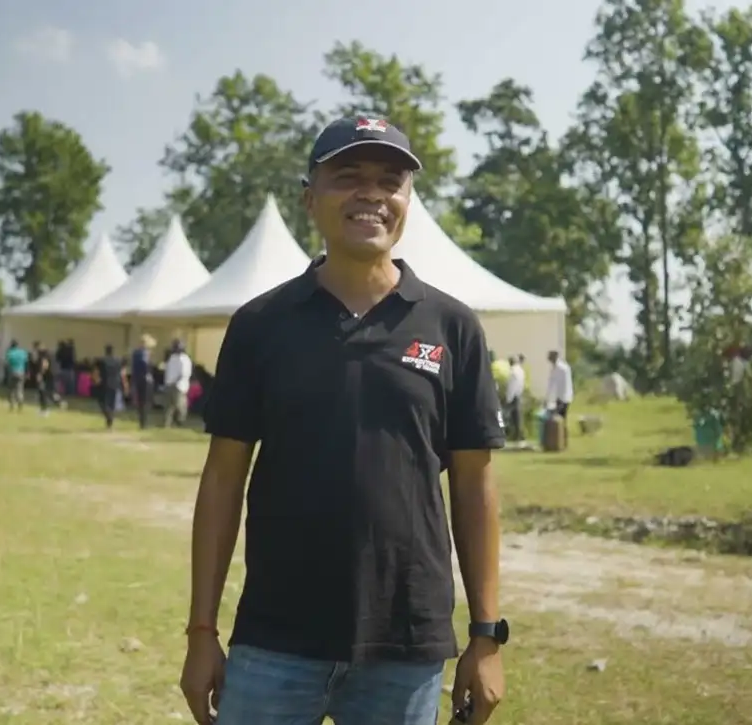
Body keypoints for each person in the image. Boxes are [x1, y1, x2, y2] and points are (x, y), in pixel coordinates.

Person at [180, 116, 508, 725]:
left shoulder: (452, 327)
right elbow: (223, 478)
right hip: (274, 640)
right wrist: (202, 631)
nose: (371, 194)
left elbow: (474, 485)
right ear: (310, 198)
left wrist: (486, 636)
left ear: (408, 200)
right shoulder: (260, 325)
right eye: (348, 176)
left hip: (406, 646)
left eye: (390, 181)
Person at [545, 350, 574, 446]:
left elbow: (566, 385)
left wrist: (563, 399)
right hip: (559, 397)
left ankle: (563, 441)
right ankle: (560, 441)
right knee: (559, 419)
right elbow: (551, 385)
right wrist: (549, 399)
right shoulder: (555, 368)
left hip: (564, 397)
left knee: (561, 419)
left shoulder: (563, 368)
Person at [163, 340, 192, 428]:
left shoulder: (185, 359)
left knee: (179, 405)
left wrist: (176, 382)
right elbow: (168, 370)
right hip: (169, 384)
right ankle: (167, 423)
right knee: (168, 405)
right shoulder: (172, 357)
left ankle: (180, 421)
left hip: (179, 385)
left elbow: (185, 373)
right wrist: (167, 381)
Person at [131, 334, 156, 429]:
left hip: (138, 378)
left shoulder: (135, 352)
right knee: (146, 401)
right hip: (146, 379)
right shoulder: (145, 353)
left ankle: (142, 420)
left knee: (141, 401)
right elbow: (145, 365)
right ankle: (144, 422)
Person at [98, 344, 123, 429]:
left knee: (103, 402)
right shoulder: (118, 361)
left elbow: (98, 372)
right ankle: (110, 418)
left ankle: (109, 417)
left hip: (105, 383)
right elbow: (121, 372)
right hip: (115, 383)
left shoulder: (103, 361)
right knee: (112, 403)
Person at [504, 355, 526, 442]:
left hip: (513, 396)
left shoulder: (513, 371)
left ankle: (517, 435)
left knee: (513, 417)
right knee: (518, 416)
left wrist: (508, 398)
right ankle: (519, 434)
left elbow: (511, 386)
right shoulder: (520, 370)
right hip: (519, 394)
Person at [4, 339, 29, 411]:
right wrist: (27, 372)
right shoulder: (23, 352)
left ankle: (11, 405)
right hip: (21, 372)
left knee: (11, 389)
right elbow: (26, 363)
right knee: (19, 389)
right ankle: (20, 402)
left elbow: (7, 363)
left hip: (12, 372)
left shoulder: (10, 352)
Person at [32, 342, 53, 416]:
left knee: (43, 392)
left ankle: (45, 409)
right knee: (42, 392)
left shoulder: (44, 354)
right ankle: (43, 408)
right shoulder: (44, 354)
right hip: (46, 375)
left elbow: (45, 365)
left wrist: (40, 374)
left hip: (45, 376)